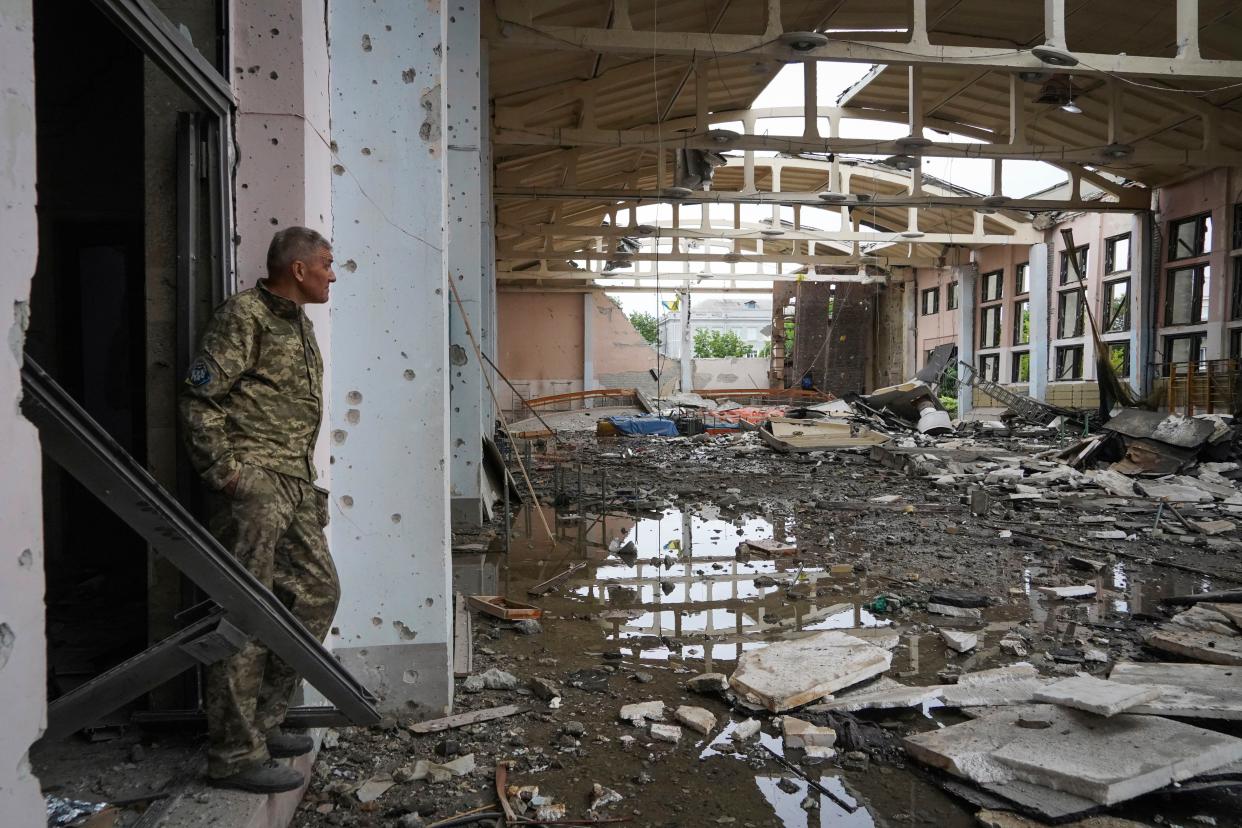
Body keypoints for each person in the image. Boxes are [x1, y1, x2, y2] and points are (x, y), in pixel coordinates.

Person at [180, 226, 339, 793]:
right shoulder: (243, 315)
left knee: (317, 594)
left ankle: (265, 723)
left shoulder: (298, 325)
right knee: (244, 613)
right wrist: (227, 473)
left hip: (293, 485)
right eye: (325, 263)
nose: (332, 274)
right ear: (298, 268)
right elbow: (201, 398)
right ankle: (233, 752)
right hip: (253, 485)